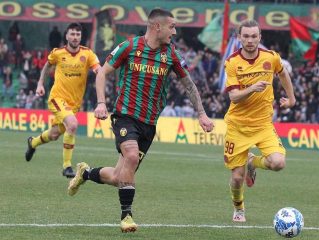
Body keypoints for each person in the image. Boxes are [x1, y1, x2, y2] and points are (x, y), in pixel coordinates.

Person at [67, 8, 214, 233]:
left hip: (149, 123)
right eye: (172, 26)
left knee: (120, 177)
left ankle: (85, 173)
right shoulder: (129, 46)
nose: (174, 32)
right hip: (125, 115)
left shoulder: (171, 54)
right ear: (157, 27)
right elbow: (102, 73)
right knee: (132, 157)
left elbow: (189, 85)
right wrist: (101, 102)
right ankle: (126, 216)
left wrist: (202, 113)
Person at [223, 20, 295, 222]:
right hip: (237, 126)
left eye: (254, 36)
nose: (250, 40)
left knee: (279, 163)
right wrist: (252, 88)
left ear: (259, 37)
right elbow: (234, 97)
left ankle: (252, 162)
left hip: (263, 124)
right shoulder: (232, 62)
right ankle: (239, 209)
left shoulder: (271, 57)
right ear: (239, 38)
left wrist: (291, 98)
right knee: (237, 178)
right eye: (245, 36)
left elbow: (283, 74)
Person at [25, 23, 100, 178]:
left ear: (81, 37)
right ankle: (67, 167)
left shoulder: (88, 54)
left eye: (78, 35)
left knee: (53, 135)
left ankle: (33, 143)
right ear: (66, 36)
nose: (75, 37)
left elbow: (98, 69)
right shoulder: (58, 53)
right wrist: (40, 83)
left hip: (74, 104)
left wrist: (100, 72)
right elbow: (47, 65)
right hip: (57, 98)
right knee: (72, 124)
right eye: (72, 34)